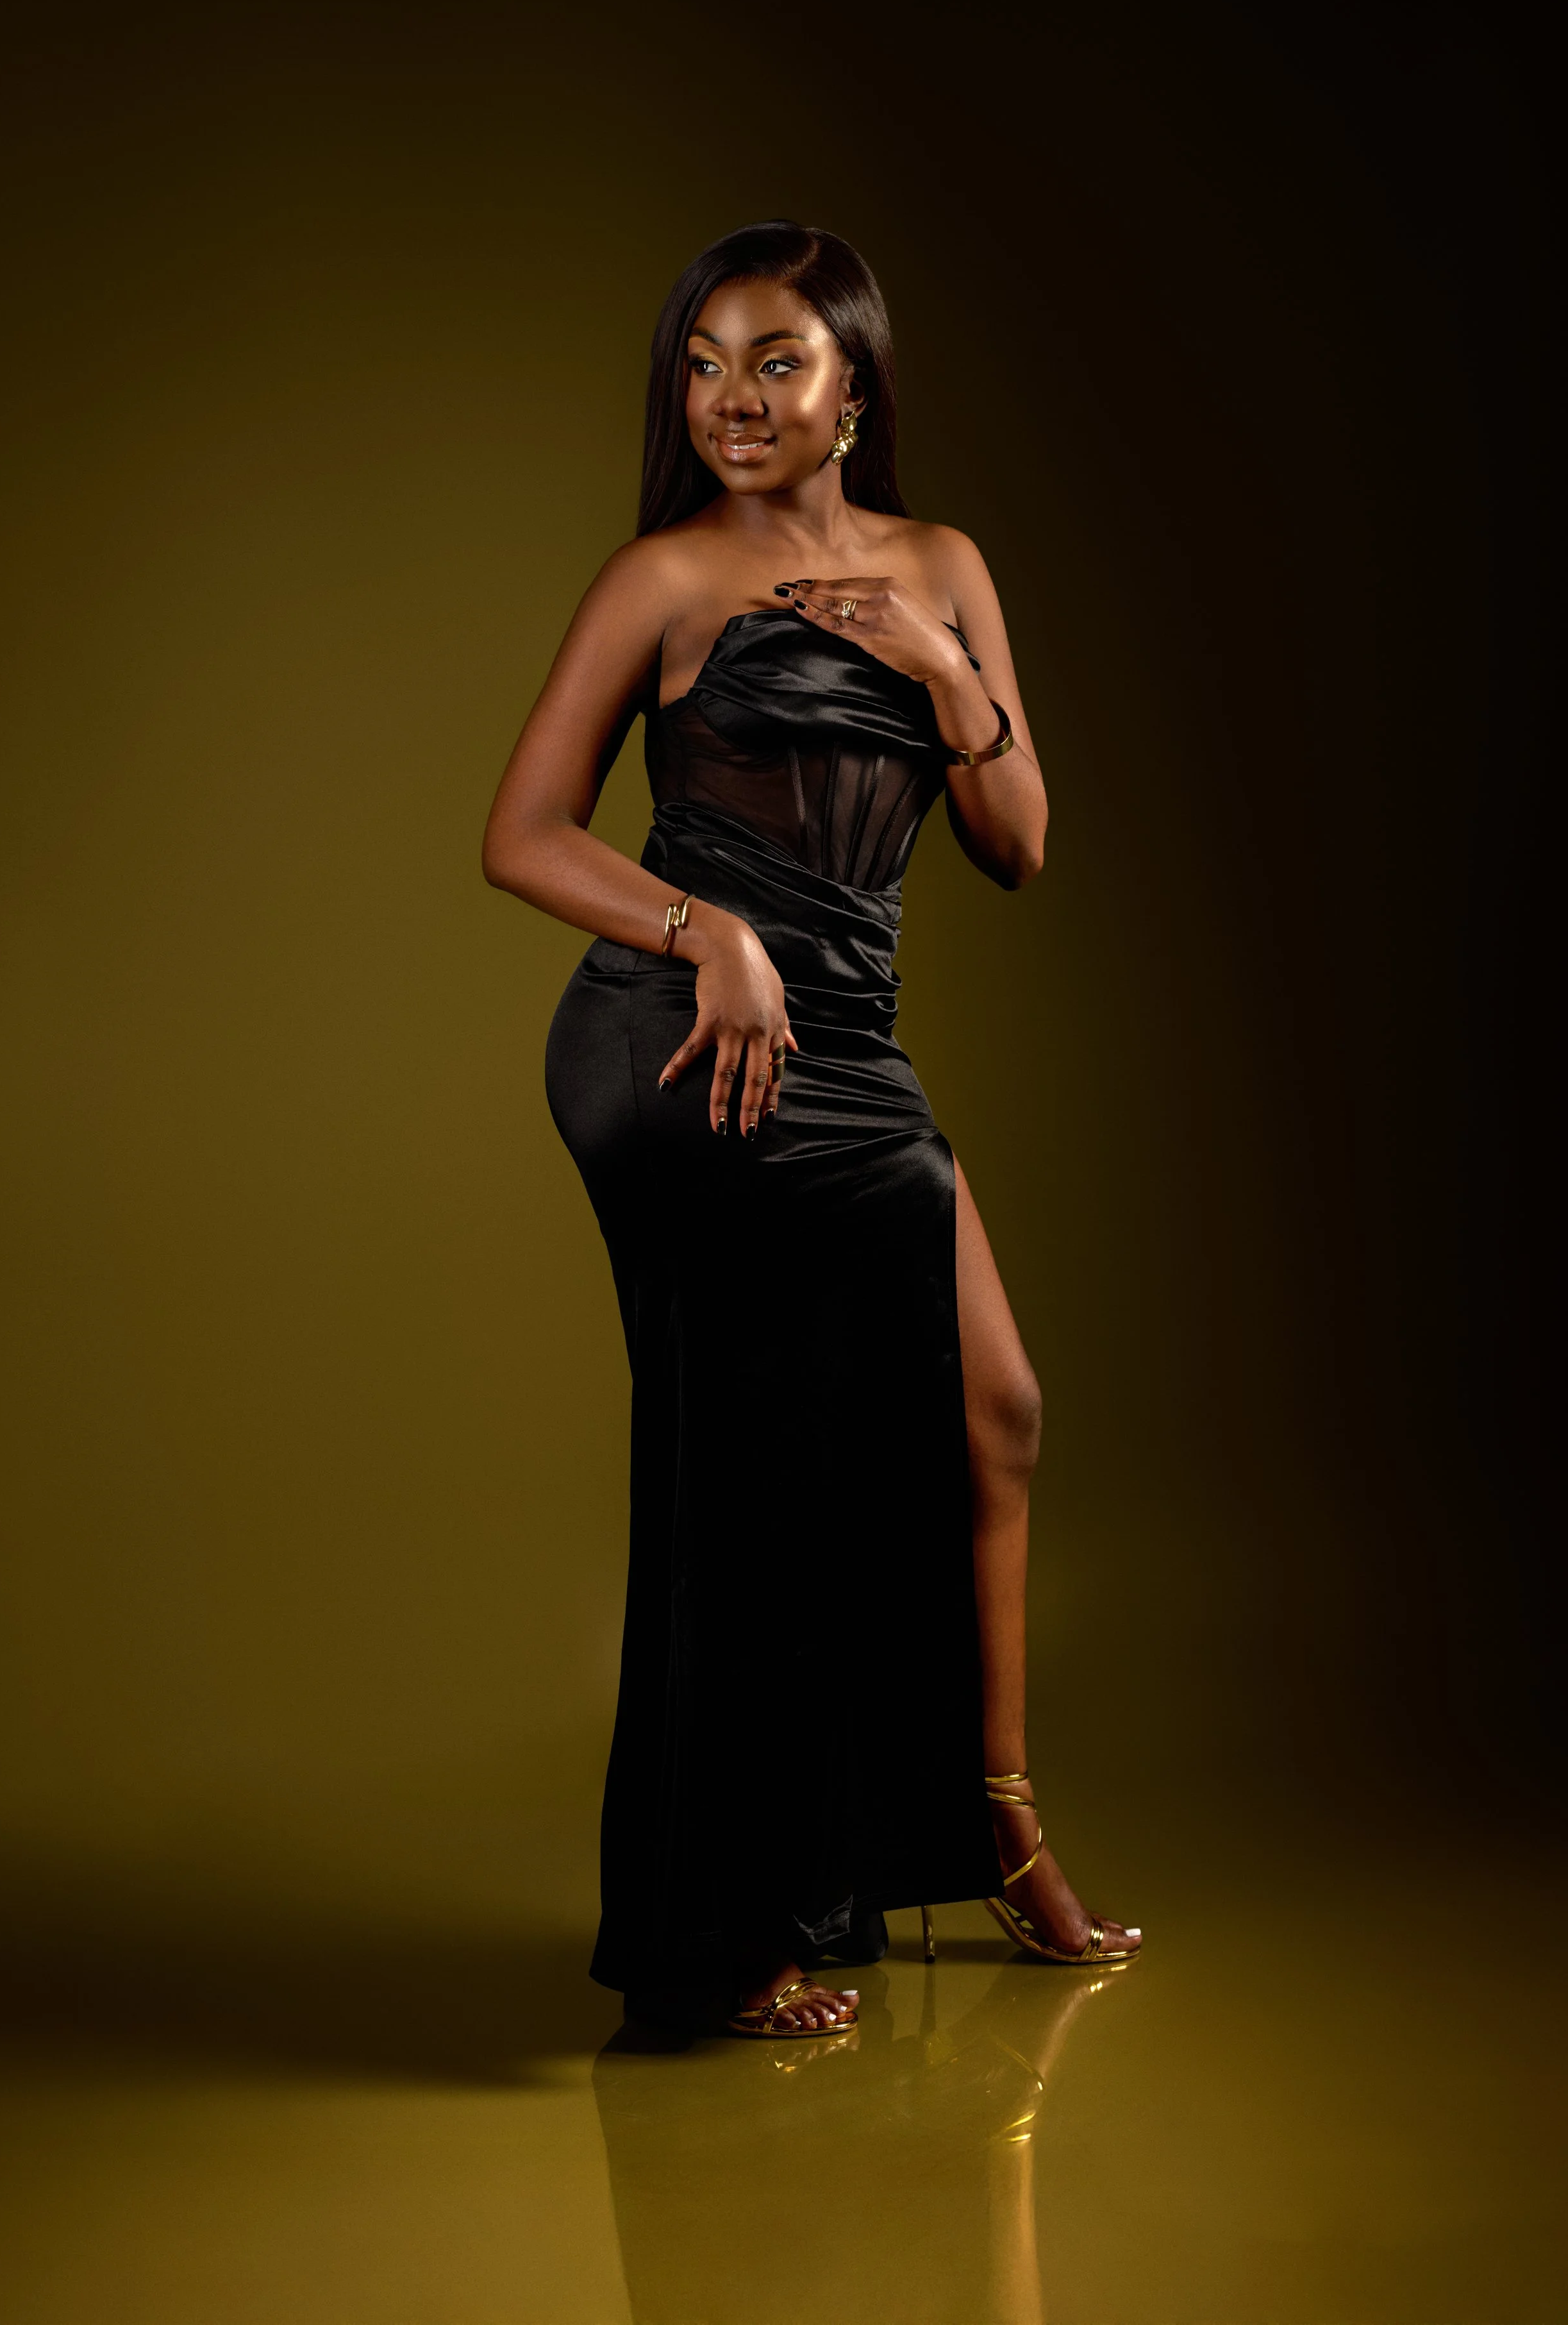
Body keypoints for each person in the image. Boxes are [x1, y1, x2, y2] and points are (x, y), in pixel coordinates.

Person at [483, 221, 1140, 2038]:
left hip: (850, 1043)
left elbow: (1014, 843)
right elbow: (522, 832)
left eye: (773, 361)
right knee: (750, 1476)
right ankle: (722, 1931)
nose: (730, 401)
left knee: (990, 1408)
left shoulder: (943, 564)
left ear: (857, 383)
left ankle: (996, 1829)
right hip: (683, 1034)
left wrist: (949, 673)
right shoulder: (662, 580)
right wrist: (713, 934)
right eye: (701, 363)